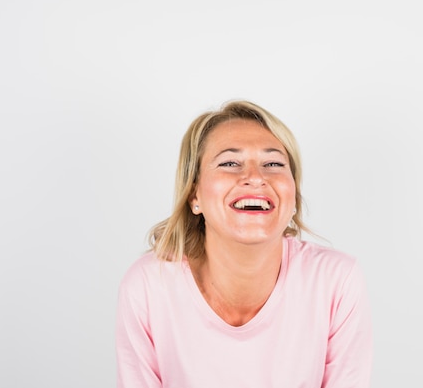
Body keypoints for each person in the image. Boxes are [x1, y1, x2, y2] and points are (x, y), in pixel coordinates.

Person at [116, 100, 373, 387]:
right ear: (194, 195)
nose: (254, 177)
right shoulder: (148, 286)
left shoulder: (336, 280)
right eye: (230, 163)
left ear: (293, 195)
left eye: (273, 163)